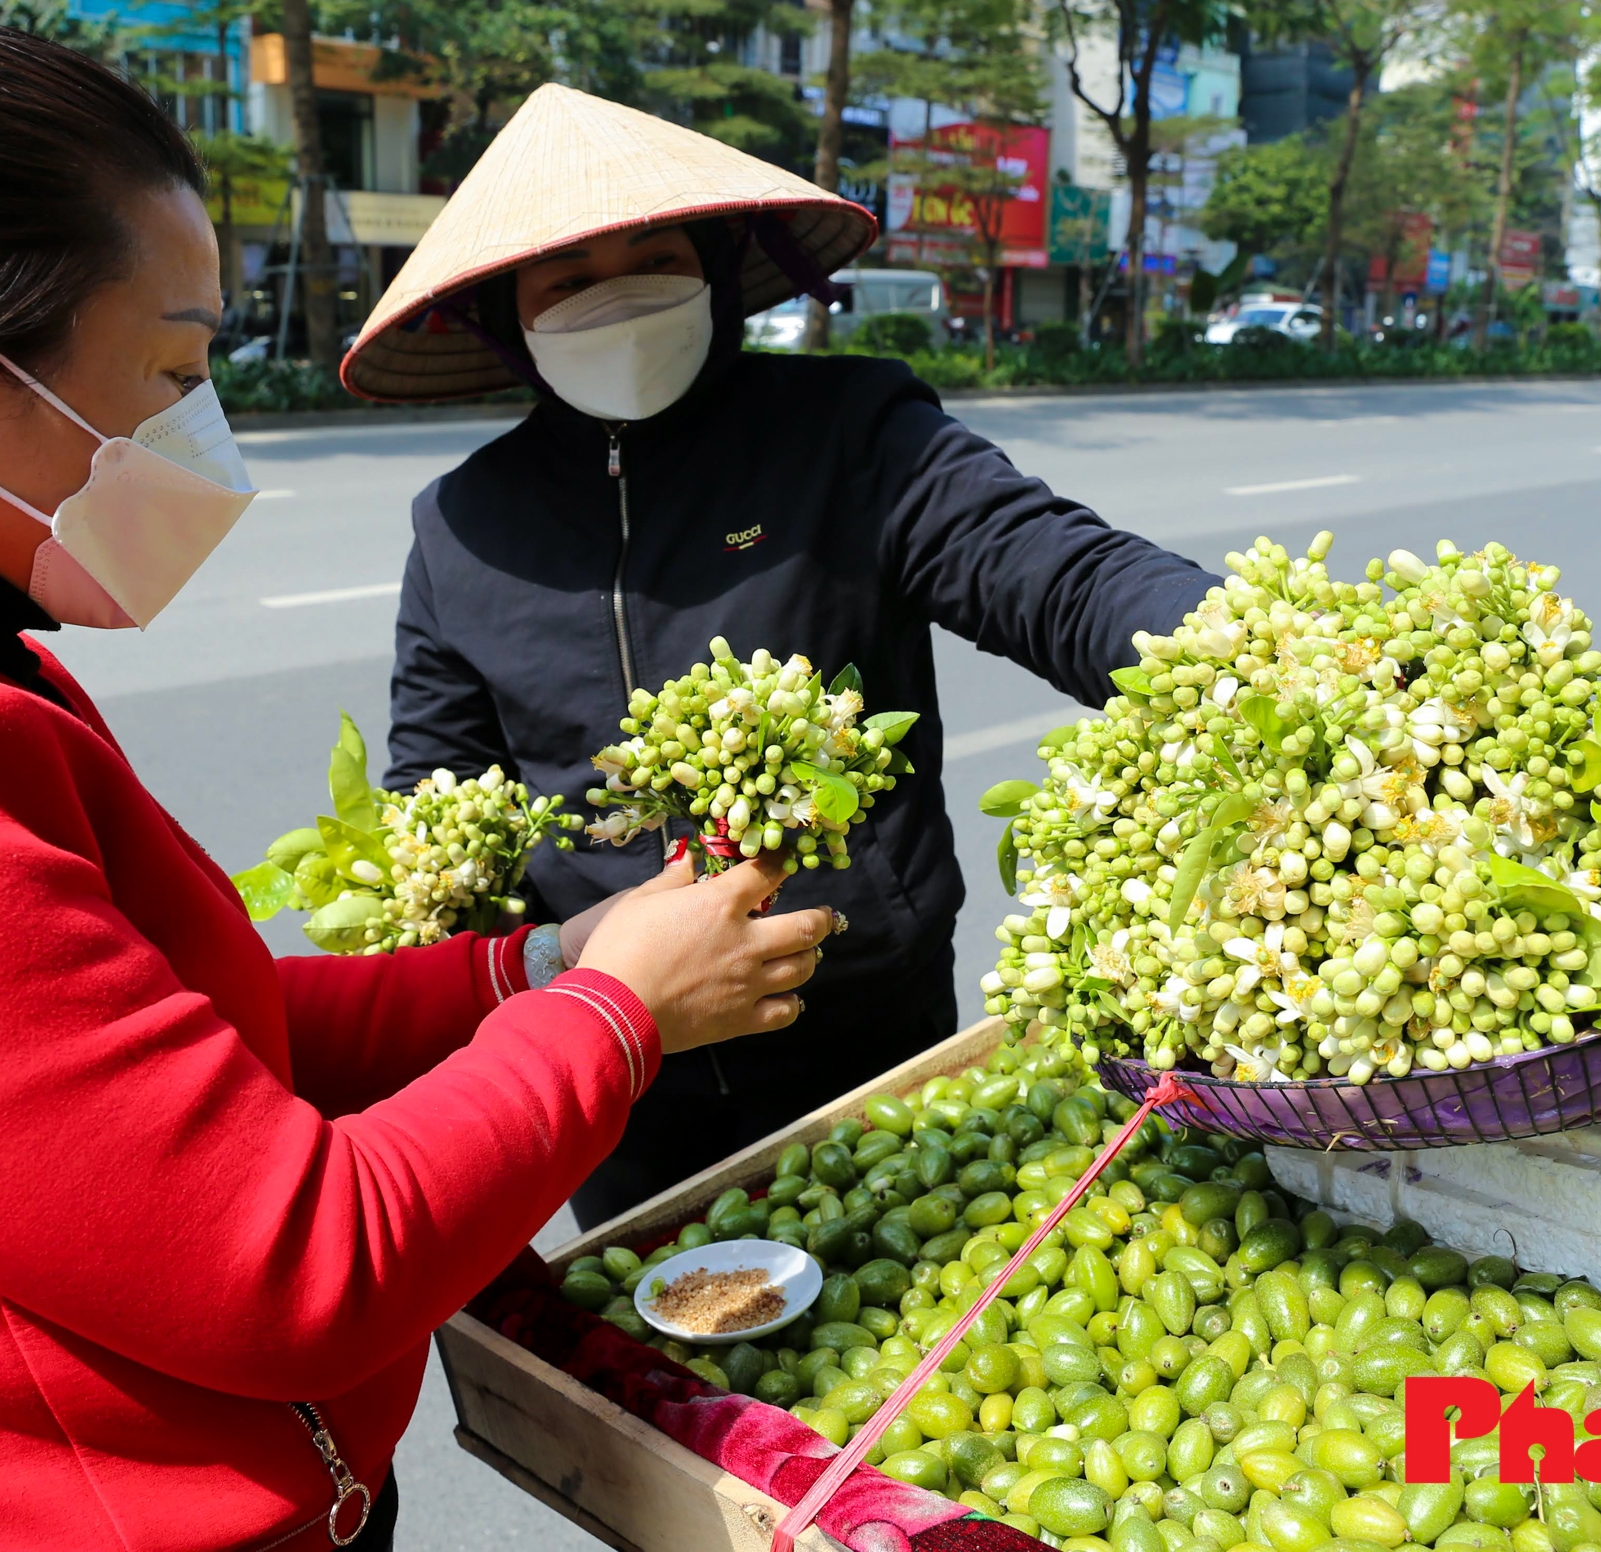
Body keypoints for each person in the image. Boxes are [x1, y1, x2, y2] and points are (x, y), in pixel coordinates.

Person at [0, 22, 829, 1552]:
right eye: (170, 370)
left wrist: (529, 963)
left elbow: (185, 1048)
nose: (200, 433)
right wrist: (610, 1019)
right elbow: (292, 1263)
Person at [339, 85, 1218, 1227]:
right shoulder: (463, 526)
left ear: (713, 263)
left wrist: (1245, 644)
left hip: (862, 1027)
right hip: (614, 1067)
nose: (618, 299)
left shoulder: (849, 432)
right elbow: (438, 791)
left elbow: (1055, 571)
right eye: (569, 281)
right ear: (511, 317)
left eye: (653, 255)